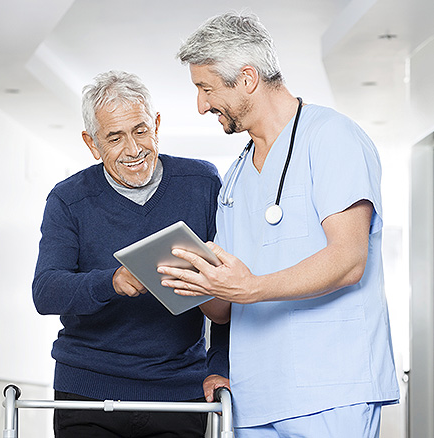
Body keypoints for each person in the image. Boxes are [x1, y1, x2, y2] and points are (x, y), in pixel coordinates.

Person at [157, 12, 400, 438]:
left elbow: (348, 260)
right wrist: (191, 281)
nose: (201, 105)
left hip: (330, 390)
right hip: (254, 397)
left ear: (247, 78)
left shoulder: (331, 137)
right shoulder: (234, 175)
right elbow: (225, 305)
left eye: (206, 88)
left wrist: (249, 287)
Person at [32, 70, 229, 438]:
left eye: (140, 130)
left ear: (156, 124)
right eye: (115, 137)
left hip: (177, 392)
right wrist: (113, 281)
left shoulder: (202, 183)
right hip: (88, 391)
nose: (134, 149)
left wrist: (220, 364)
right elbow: (45, 291)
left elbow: (227, 290)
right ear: (92, 143)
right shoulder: (68, 199)